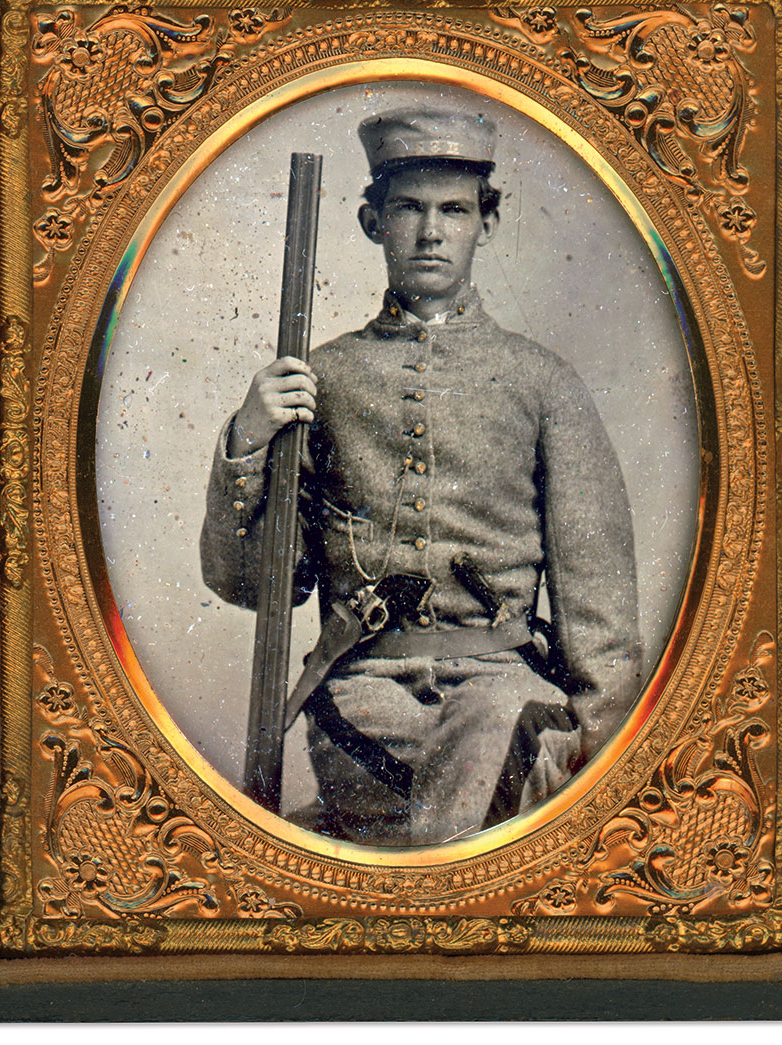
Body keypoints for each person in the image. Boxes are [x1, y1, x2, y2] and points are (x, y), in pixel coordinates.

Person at [200, 108, 642, 846]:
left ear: (487, 223)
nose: (431, 232)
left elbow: (599, 608)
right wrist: (248, 438)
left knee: (502, 729)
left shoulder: (542, 383)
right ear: (373, 222)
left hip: (504, 689)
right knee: (471, 784)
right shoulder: (323, 381)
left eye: (454, 210)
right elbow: (252, 585)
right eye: (408, 209)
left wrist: (600, 760)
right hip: (364, 701)